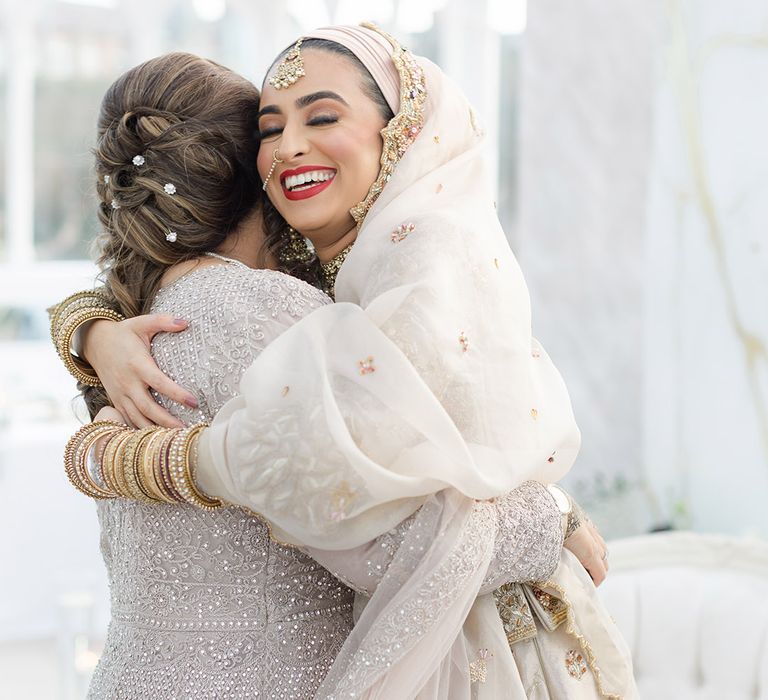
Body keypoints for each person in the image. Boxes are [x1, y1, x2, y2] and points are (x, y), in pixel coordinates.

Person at [51, 35, 604, 700]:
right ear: (244, 169)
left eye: (319, 119)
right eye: (269, 128)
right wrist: (549, 515)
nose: (288, 149)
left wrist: (88, 331)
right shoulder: (280, 319)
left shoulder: (147, 311)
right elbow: (390, 538)